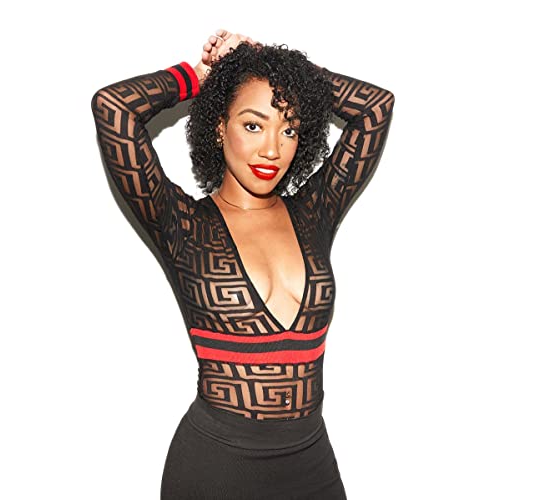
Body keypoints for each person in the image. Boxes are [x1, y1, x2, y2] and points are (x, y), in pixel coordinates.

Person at [90, 28, 394, 500]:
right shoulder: (182, 224)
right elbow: (113, 108)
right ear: (219, 126)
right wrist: (198, 77)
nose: (272, 148)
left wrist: (277, 67)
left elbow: (376, 108)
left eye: (288, 128)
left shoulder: (313, 214)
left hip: (311, 461)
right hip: (218, 468)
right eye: (254, 125)